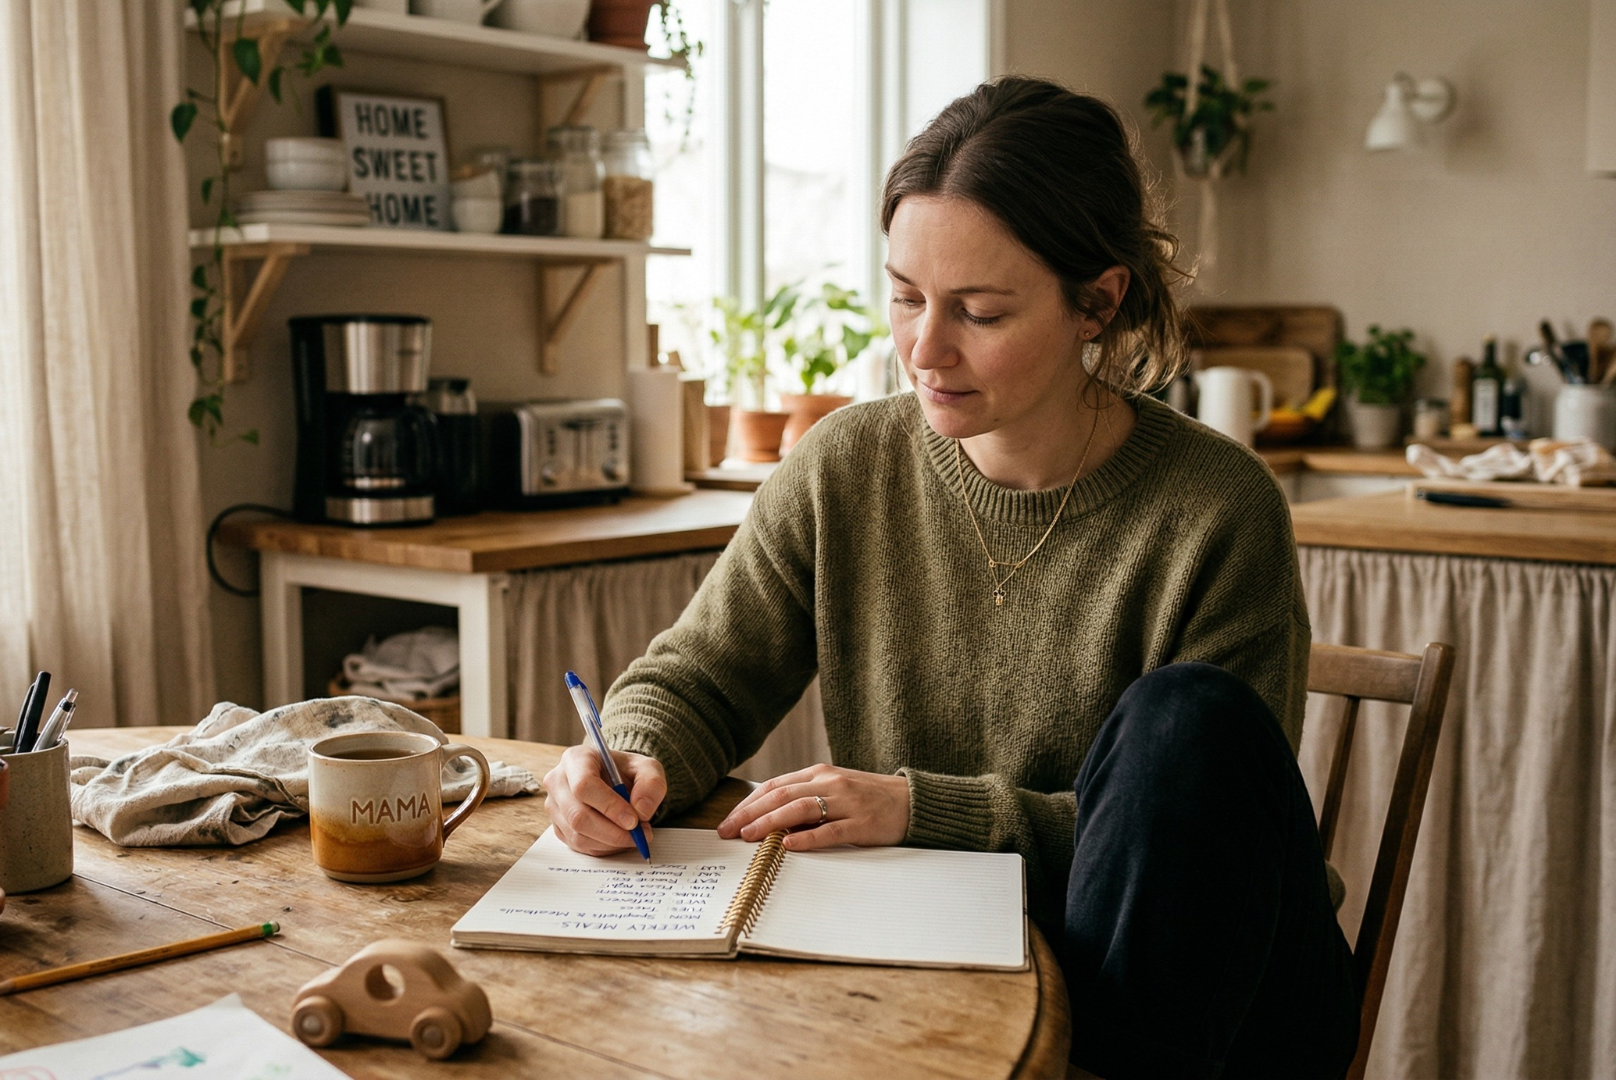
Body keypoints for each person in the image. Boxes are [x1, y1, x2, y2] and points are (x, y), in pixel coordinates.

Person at [542, 76, 1357, 1078]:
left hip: (1206, 1003)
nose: (925, 350)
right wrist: (629, 754)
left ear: (1096, 303)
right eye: (907, 296)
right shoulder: (845, 465)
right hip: (942, 958)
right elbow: (702, 676)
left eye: (978, 311)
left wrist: (922, 811)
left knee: (1185, 718)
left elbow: (1193, 839)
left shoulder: (1219, 507)